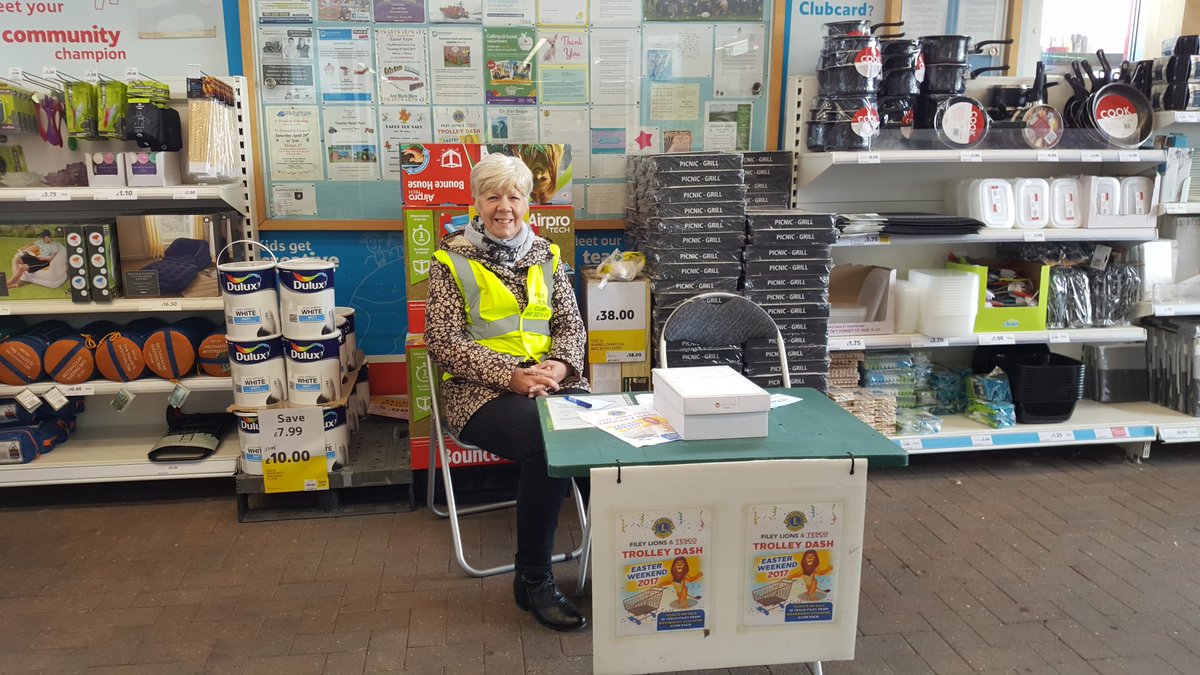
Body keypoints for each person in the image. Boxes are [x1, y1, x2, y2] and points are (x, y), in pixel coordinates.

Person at [425, 152, 589, 633]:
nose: (504, 207)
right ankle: (534, 577)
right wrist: (511, 375)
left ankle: (609, 560)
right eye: (492, 196)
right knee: (549, 444)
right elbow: (444, 342)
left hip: (551, 383)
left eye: (514, 196)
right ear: (476, 202)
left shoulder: (548, 256)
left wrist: (558, 365)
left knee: (603, 433)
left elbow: (571, 328)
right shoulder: (450, 259)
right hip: (480, 393)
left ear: (527, 204)